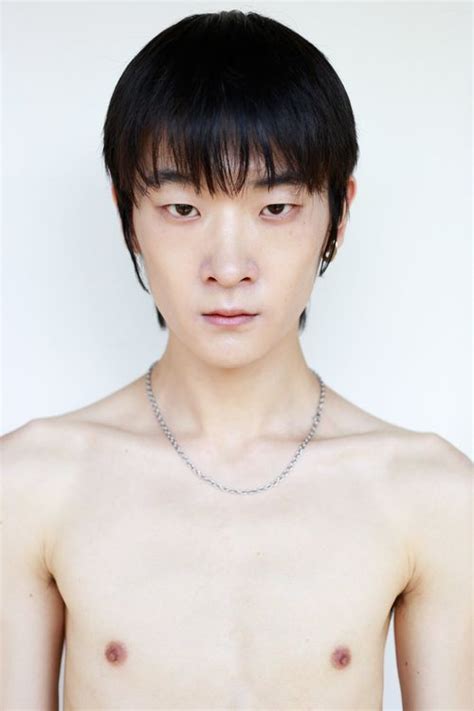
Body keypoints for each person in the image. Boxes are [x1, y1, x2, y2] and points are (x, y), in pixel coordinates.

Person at [2, 9, 472, 711]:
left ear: (339, 213)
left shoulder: (429, 492)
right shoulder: (31, 483)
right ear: (128, 215)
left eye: (276, 207)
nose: (227, 267)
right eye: (182, 208)